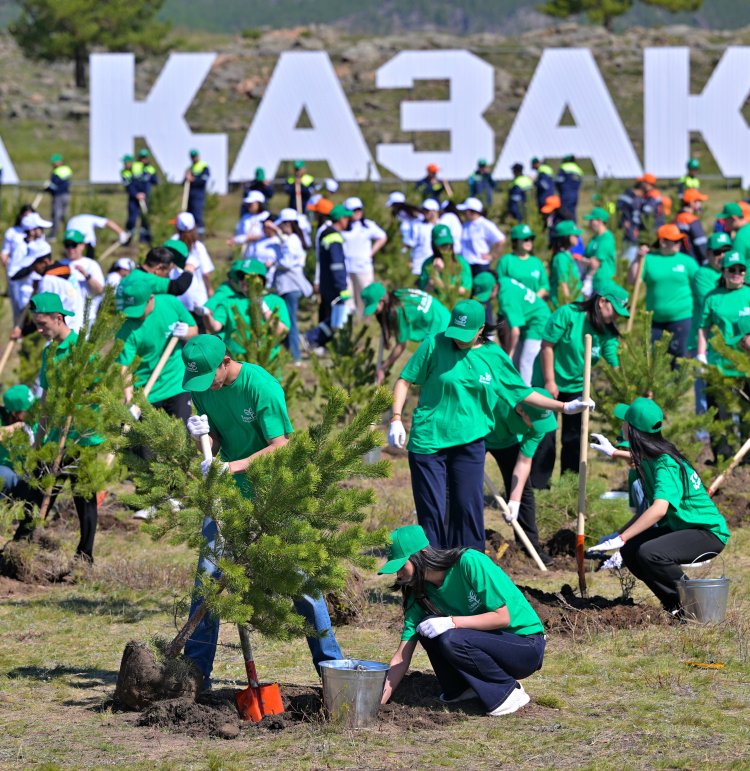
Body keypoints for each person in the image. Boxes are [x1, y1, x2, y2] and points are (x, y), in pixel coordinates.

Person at [180, 334, 343, 689]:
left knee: (300, 580)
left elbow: (281, 447)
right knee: (207, 579)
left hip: (275, 491)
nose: (202, 387)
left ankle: (332, 668)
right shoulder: (203, 386)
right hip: (228, 495)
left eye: (207, 377)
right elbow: (216, 444)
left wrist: (233, 467)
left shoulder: (261, 387)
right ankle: (194, 673)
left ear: (225, 362)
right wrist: (200, 439)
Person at [388, 299, 593, 552]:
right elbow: (404, 380)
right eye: (455, 333)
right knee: (433, 512)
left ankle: (472, 573)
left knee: (468, 509)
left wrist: (563, 407)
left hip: (469, 442)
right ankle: (430, 577)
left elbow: (520, 391)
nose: (458, 340)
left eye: (465, 335)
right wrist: (396, 418)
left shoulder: (493, 356)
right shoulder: (434, 343)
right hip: (429, 440)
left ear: (481, 329)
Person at [379, 525, 546, 715]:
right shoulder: (418, 594)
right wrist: (377, 703)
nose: (398, 575)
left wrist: (452, 622)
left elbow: (503, 617)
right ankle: (462, 689)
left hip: (524, 646)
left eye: (401, 566)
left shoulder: (469, 562)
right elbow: (402, 656)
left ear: (422, 554)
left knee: (450, 637)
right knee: (427, 630)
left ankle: (507, 691)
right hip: (484, 646)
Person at [587, 398, 729, 617]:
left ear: (632, 429)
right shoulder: (651, 456)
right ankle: (675, 607)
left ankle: (696, 607)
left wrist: (621, 537)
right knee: (632, 550)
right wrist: (614, 452)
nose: (621, 425)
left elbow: (659, 509)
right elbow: (637, 458)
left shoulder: (665, 464)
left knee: (650, 553)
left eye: (625, 421)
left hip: (708, 533)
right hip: (683, 527)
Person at [12, 293, 102, 561]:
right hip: (54, 435)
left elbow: (98, 389)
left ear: (58, 318)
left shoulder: (81, 350)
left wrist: (80, 395)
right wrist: (38, 441)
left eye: (43, 325)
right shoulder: (49, 352)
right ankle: (21, 546)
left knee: (83, 499)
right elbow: (45, 397)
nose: (39, 330)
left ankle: (84, 556)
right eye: (37, 325)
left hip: (82, 437)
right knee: (37, 489)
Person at [530, 289, 627, 489]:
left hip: (577, 387)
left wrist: (628, 385)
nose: (616, 317)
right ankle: (538, 487)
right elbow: (547, 346)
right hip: (548, 381)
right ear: (602, 301)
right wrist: (550, 381)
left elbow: (613, 360)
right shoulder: (568, 314)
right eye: (614, 310)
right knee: (545, 435)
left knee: (574, 438)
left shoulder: (607, 331)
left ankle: (569, 487)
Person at [485, 388, 558, 564]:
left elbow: (524, 462)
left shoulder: (538, 424)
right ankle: (462, 543)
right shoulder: (498, 400)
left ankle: (529, 547)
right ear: (520, 410)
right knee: (464, 488)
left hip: (508, 441)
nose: (536, 427)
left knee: (523, 491)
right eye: (533, 421)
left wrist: (514, 502)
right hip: (478, 434)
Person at [115, 271, 198, 421]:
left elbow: (194, 330)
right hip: (146, 390)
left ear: (151, 299)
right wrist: (129, 398)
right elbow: (124, 366)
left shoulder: (171, 303)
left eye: (139, 309)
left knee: (182, 438)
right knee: (142, 443)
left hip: (176, 383)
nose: (135, 315)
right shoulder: (126, 327)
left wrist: (186, 332)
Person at [696, 250, 750, 460]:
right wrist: (701, 355)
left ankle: (747, 458)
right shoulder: (713, 297)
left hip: (745, 363)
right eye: (732, 270)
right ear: (724, 271)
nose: (737, 273)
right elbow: (703, 327)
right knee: (721, 413)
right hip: (720, 364)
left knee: (747, 413)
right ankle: (723, 458)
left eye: (741, 270)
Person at [627, 223, 697, 360]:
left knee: (679, 359)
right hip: (655, 321)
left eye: (680, 240)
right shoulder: (649, 259)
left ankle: (678, 382)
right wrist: (637, 258)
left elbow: (700, 284)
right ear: (662, 242)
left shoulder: (687, 261)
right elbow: (632, 280)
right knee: (651, 361)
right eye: (675, 241)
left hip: (682, 317)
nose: (679, 244)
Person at [362, 282, 451, 384]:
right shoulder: (396, 295)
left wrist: (383, 367)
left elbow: (401, 346)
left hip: (440, 326)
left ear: (382, 301)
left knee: (434, 372)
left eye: (374, 307)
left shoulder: (399, 310)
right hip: (442, 313)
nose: (374, 312)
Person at [202, 259, 289, 359]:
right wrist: (206, 315)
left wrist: (265, 310)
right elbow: (215, 327)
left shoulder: (276, 301)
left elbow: (282, 332)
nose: (243, 281)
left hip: (267, 363)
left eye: (248, 277)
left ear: (261, 279)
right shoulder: (229, 301)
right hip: (237, 364)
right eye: (241, 276)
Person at [689, 232, 731, 422]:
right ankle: (702, 438)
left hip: (728, 343)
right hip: (704, 342)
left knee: (729, 394)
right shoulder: (702, 275)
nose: (722, 256)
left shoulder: (736, 272)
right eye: (717, 252)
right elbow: (717, 306)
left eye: (726, 251)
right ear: (708, 254)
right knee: (704, 392)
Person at [303, 205, 351, 350]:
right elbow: (337, 264)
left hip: (327, 283)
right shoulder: (334, 237)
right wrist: (342, 286)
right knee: (336, 318)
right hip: (335, 285)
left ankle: (320, 343)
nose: (348, 221)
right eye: (347, 218)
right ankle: (312, 338)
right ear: (341, 219)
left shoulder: (326, 233)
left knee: (331, 315)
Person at [268, 210, 312, 364]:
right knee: (287, 320)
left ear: (288, 224)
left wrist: (274, 262)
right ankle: (290, 353)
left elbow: (287, 262)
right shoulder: (294, 239)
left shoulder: (292, 241)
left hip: (290, 286)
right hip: (288, 286)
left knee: (290, 321)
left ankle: (296, 357)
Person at [495, 276, 551, 385]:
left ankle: (527, 396)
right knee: (516, 362)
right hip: (528, 321)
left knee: (525, 363)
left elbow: (515, 331)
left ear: (494, 288)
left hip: (539, 322)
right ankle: (514, 392)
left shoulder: (506, 299)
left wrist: (509, 354)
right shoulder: (503, 281)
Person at [342, 196, 387, 315]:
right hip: (346, 268)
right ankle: (350, 323)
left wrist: (371, 253)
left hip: (363, 268)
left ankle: (366, 322)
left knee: (365, 297)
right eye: (353, 210)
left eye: (359, 209)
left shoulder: (368, 225)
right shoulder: (343, 227)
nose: (357, 213)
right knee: (348, 300)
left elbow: (382, 236)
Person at [172, 212, 215, 317]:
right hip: (196, 298)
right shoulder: (198, 247)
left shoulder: (172, 244)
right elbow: (206, 273)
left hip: (177, 297)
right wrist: (210, 290)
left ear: (177, 228)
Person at [418, 224, 473, 301]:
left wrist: (439, 282)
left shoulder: (462, 263)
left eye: (447, 243)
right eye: (441, 244)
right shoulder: (428, 264)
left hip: (456, 308)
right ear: (434, 244)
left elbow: (466, 291)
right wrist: (435, 273)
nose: (446, 247)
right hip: (436, 308)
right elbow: (424, 293)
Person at [62, 229, 105, 322]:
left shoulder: (91, 264)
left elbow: (100, 290)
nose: (70, 249)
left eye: (74, 245)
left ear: (82, 246)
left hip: (85, 317)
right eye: (67, 245)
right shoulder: (60, 265)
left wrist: (86, 275)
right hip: (65, 317)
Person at [0, 384, 36, 496]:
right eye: (28, 410)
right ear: (15, 413)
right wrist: (17, 426)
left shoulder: (35, 420)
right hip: (8, 474)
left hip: (28, 474)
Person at [497, 224, 550, 299]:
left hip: (534, 306)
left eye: (531, 239)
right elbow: (499, 286)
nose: (529, 242)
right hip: (513, 305)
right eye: (525, 239)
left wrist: (534, 299)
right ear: (515, 241)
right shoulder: (506, 261)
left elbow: (544, 285)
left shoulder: (536, 262)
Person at [458, 197, 505, 277]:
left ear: (472, 212)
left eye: (465, 211)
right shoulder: (465, 225)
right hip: (466, 264)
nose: (463, 213)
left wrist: (492, 256)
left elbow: (501, 240)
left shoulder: (485, 224)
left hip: (480, 265)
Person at [582, 207, 617, 296]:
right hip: (593, 283)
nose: (590, 223)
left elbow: (595, 262)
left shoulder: (607, 238)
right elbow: (584, 258)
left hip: (603, 283)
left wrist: (588, 279)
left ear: (600, 221)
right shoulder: (594, 239)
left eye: (592, 220)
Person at [549, 220, 583, 308]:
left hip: (575, 302)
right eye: (575, 235)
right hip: (566, 304)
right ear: (566, 237)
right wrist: (568, 307)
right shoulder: (561, 258)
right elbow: (563, 284)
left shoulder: (567, 255)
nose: (578, 237)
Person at [121, 154, 150, 244]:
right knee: (132, 219)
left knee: (145, 218)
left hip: (144, 197)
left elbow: (146, 181)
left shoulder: (140, 168)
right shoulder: (124, 172)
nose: (124, 165)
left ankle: (144, 239)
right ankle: (127, 240)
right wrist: (136, 194)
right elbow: (128, 186)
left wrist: (144, 193)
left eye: (126, 163)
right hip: (133, 198)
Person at [675, 189, 708, 265]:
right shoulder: (691, 220)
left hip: (681, 258)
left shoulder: (677, 218)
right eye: (699, 201)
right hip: (694, 260)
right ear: (691, 202)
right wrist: (706, 260)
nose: (700, 204)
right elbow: (701, 243)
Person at [231, 191, 269, 258]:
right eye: (248, 204)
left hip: (263, 254)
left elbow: (266, 234)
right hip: (248, 253)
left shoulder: (267, 216)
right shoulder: (245, 217)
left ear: (259, 204)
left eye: (252, 204)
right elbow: (240, 233)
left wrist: (247, 238)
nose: (249, 206)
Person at [409, 200, 440, 278]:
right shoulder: (417, 225)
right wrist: (410, 260)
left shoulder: (441, 225)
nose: (425, 213)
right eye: (424, 210)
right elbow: (412, 244)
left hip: (434, 264)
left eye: (427, 211)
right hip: (418, 264)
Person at [46, 154, 72, 239]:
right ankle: (68, 232)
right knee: (65, 215)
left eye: (54, 163)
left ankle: (53, 235)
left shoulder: (56, 171)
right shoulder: (67, 169)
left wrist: (47, 188)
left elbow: (54, 185)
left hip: (58, 195)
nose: (53, 164)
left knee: (56, 215)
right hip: (66, 194)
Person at [185, 149, 210, 235]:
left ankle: (200, 235)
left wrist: (193, 179)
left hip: (198, 196)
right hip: (189, 196)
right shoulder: (190, 168)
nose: (193, 158)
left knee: (197, 216)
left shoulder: (203, 167)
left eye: (195, 156)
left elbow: (203, 180)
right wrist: (186, 178)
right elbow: (184, 182)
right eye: (192, 157)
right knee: (189, 216)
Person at [555, 155, 583, 221]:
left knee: (564, 213)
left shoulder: (564, 167)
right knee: (572, 212)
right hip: (575, 195)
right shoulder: (578, 169)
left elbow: (559, 180)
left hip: (565, 194)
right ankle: (573, 227)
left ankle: (566, 229)